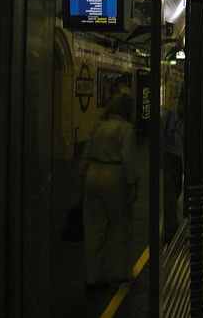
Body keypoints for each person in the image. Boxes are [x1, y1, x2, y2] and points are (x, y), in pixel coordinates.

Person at [80, 95, 138, 290]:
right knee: (120, 225)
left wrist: (83, 176)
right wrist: (132, 184)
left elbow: (86, 153)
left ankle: (93, 276)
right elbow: (128, 158)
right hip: (114, 175)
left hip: (93, 173)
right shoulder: (125, 129)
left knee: (94, 228)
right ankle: (120, 272)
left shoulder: (99, 126)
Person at [162, 95, 184, 245]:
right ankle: (170, 229)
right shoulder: (168, 116)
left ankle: (173, 224)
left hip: (182, 160)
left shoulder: (189, 120)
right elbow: (158, 138)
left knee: (176, 192)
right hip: (170, 159)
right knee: (170, 195)